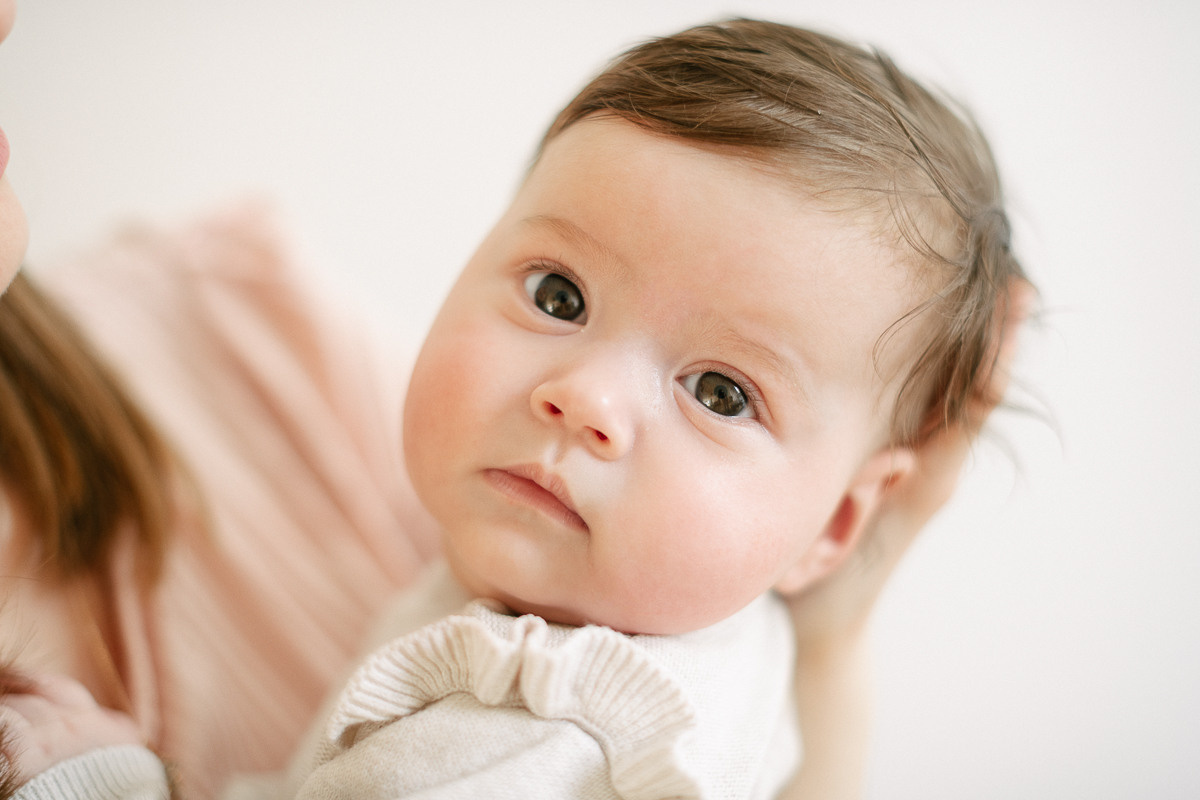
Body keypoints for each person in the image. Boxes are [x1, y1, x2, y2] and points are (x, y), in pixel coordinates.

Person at [2, 16, 1032, 799]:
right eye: (558, 296)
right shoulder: (603, 630)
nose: (582, 396)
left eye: (721, 391)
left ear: (841, 521)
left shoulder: (555, 724)